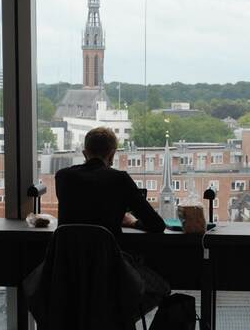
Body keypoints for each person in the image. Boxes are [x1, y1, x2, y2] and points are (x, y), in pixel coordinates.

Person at [55, 126, 171, 314]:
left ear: (85, 153)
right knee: (162, 288)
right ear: (112, 154)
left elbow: (83, 208)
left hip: (68, 272)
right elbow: (157, 225)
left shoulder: (63, 177)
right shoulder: (119, 179)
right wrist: (131, 222)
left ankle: (95, 326)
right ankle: (115, 326)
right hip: (110, 270)